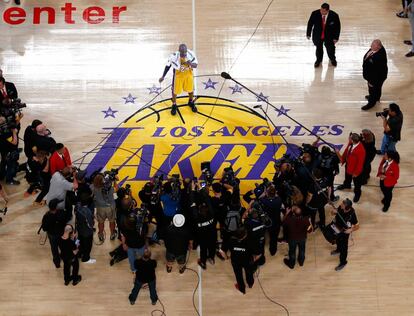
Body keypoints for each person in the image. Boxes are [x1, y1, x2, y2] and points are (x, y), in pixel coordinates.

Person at [159, 43, 198, 115]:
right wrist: (163, 76)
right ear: (179, 51)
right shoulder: (173, 56)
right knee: (175, 92)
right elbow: (168, 66)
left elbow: (196, 65)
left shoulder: (191, 54)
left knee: (191, 90)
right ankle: (174, 104)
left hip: (188, 75)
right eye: (182, 53)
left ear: (186, 51)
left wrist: (191, 64)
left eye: (184, 53)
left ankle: (191, 102)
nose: (183, 54)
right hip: (178, 76)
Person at [306, 3, 341, 68]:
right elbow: (310, 23)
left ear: (327, 10)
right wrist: (308, 34)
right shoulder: (315, 13)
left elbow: (337, 27)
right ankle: (318, 60)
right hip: (318, 35)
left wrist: (336, 37)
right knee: (319, 48)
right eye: (321, 10)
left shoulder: (334, 15)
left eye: (323, 11)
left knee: (330, 49)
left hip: (329, 36)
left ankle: (333, 59)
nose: (321, 12)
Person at [330, 199, 359, 271]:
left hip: (345, 232)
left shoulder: (352, 214)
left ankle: (343, 262)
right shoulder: (340, 207)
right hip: (337, 228)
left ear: (346, 207)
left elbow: (357, 226)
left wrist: (351, 230)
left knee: (344, 247)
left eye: (343, 204)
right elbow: (333, 213)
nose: (340, 204)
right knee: (337, 240)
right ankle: (338, 250)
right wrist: (333, 212)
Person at [336, 133, 366, 203]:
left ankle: (357, 193)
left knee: (357, 184)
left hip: (355, 170)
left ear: (352, 140)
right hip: (348, 165)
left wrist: (356, 173)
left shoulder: (361, 150)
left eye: (350, 138)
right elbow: (347, 152)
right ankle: (347, 185)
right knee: (347, 177)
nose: (348, 139)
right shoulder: (351, 143)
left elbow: (360, 163)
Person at [41, 199, 71, 268]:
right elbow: (66, 220)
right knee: (63, 248)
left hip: (52, 235)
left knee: (54, 249)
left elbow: (44, 228)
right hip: (61, 234)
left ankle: (57, 263)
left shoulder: (46, 216)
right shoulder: (62, 213)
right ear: (56, 207)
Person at [228, 226, 258, 294]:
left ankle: (242, 289)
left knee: (238, 275)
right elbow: (257, 253)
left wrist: (227, 257)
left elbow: (227, 250)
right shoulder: (250, 241)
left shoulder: (231, 240)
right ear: (244, 235)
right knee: (249, 272)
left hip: (235, 261)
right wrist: (254, 259)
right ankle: (250, 284)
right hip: (247, 261)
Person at [361, 39, 388, 110]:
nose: (371, 46)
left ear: (379, 47)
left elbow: (376, 72)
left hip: (376, 77)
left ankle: (371, 103)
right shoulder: (379, 48)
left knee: (372, 89)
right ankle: (377, 98)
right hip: (379, 75)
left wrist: (371, 81)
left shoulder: (379, 58)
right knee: (378, 87)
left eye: (373, 45)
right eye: (372, 44)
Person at [91, 173, 117, 241]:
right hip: (110, 207)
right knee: (112, 221)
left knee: (101, 222)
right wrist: (115, 181)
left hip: (100, 208)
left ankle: (100, 235)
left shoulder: (93, 187)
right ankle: (112, 234)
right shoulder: (109, 188)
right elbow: (116, 189)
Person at [75, 193, 96, 264]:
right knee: (88, 245)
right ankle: (86, 258)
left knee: (81, 243)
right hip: (87, 232)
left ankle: (80, 254)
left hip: (80, 229)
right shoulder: (88, 212)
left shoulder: (78, 206)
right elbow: (90, 224)